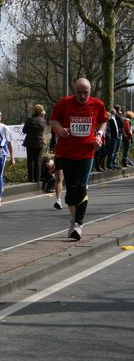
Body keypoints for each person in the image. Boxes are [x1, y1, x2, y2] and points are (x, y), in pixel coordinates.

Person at [50, 78, 108, 240]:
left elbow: (103, 120)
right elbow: (54, 119)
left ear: (91, 91)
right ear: (74, 91)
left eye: (86, 93)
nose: (82, 96)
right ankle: (74, 219)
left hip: (86, 152)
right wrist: (60, 130)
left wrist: (98, 136)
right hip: (67, 152)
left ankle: (78, 224)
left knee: (82, 186)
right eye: (79, 93)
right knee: (71, 189)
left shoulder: (97, 104)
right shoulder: (65, 103)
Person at [22, 104, 47, 183]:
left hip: (30, 141)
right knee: (38, 160)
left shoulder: (30, 120)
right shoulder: (43, 121)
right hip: (39, 142)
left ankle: (31, 178)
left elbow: (24, 131)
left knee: (31, 160)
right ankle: (37, 178)